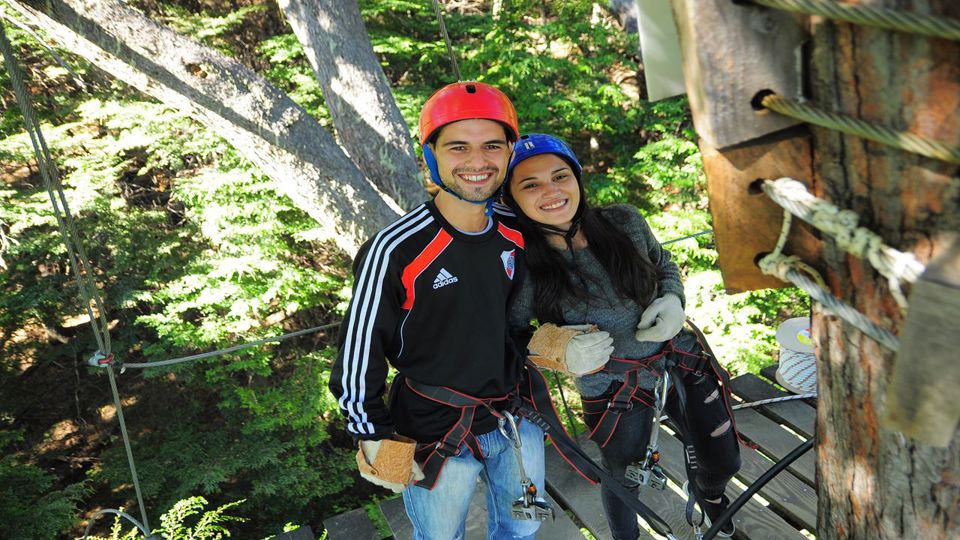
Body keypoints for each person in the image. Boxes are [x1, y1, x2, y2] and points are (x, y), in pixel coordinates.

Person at [329, 85, 612, 540]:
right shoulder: (397, 249)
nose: (477, 162)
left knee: (522, 531)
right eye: (458, 147)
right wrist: (371, 430)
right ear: (431, 154)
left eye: (491, 146)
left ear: (509, 152)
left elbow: (533, 311)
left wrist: (561, 344)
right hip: (433, 427)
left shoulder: (518, 231)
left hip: (514, 414)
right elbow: (361, 348)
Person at [504, 133, 742, 539]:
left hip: (678, 357)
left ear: (577, 179)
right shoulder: (522, 263)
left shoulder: (624, 221)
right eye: (531, 184)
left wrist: (672, 297)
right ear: (512, 198)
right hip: (613, 385)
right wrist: (560, 350)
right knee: (622, 477)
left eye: (560, 176)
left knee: (724, 460)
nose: (551, 191)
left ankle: (708, 493)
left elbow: (663, 262)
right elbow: (513, 333)